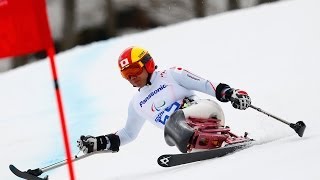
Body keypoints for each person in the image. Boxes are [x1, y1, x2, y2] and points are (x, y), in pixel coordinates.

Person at [77, 46, 251, 154]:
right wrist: (100, 143)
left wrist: (231, 93)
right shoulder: (137, 103)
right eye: (126, 75)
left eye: (134, 71)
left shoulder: (171, 75)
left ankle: (225, 136)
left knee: (173, 123)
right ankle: (204, 142)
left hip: (209, 113)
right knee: (171, 130)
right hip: (186, 138)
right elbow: (128, 134)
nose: (131, 78)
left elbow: (206, 85)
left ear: (148, 64)